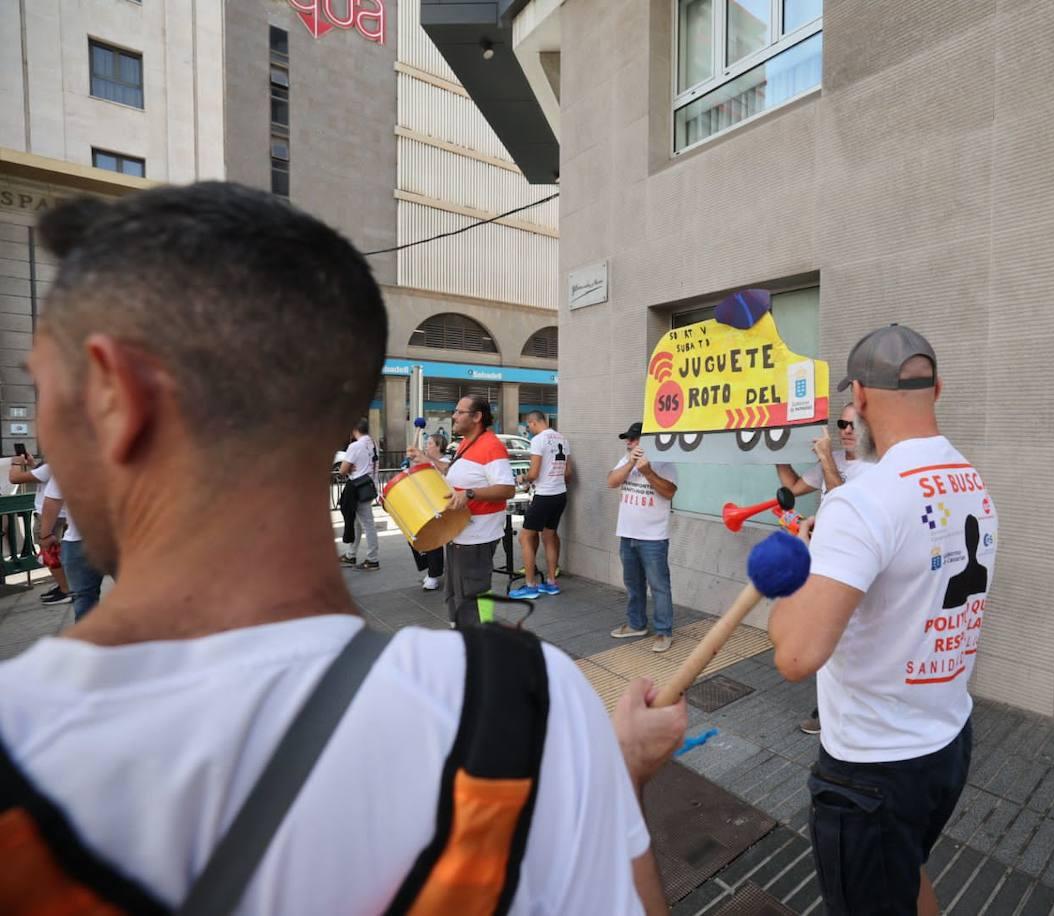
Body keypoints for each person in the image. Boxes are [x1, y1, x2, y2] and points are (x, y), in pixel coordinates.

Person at [0, 183, 687, 913]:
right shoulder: (539, 709)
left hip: (479, 537)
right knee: (466, 602)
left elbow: (503, 489)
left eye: (46, 389)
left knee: (475, 596)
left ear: (117, 394)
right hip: (487, 630)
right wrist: (612, 782)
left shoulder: (26, 745)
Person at [767, 325, 998, 916]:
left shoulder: (863, 500)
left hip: (869, 770)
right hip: (947, 741)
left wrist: (799, 566)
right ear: (937, 389)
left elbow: (794, 656)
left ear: (861, 397)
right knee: (908, 872)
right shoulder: (972, 482)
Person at [775, 401, 874, 736]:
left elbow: (847, 506)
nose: (846, 431)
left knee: (850, 642)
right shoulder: (834, 459)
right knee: (828, 639)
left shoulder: (877, 467)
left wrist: (828, 459)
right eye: (842, 424)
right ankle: (828, 710)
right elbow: (792, 487)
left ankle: (846, 714)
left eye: (854, 425)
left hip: (854, 567)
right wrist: (774, 453)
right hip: (823, 563)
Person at [409, 396, 516, 628]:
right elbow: (454, 471)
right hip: (458, 530)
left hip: (478, 535)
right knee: (456, 592)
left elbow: (508, 489)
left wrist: (469, 494)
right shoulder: (467, 442)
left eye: (459, 412)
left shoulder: (492, 446)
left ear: (477, 417)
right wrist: (427, 459)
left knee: (475, 593)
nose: (454, 416)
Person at [607, 422, 678, 653]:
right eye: (628, 439)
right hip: (627, 533)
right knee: (633, 583)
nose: (629, 442)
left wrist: (647, 471)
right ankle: (636, 624)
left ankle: (664, 631)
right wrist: (630, 463)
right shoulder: (625, 459)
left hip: (653, 537)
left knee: (659, 586)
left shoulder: (665, 462)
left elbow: (669, 492)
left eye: (634, 439)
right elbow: (611, 481)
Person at [510, 411, 570, 599]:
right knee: (550, 536)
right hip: (560, 494)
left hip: (544, 495)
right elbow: (568, 473)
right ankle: (551, 583)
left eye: (529, 425)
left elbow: (534, 473)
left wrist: (523, 478)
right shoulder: (562, 438)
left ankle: (530, 586)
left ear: (534, 422)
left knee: (525, 537)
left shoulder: (538, 440)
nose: (529, 429)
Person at [38, 476, 105, 620]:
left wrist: (45, 536)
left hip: (78, 541)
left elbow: (52, 500)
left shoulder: (67, 467)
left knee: (84, 600)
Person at [8, 454, 72, 604]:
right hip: (58, 515)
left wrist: (16, 463)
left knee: (49, 553)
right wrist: (32, 464)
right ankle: (64, 585)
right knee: (56, 553)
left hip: (49, 517)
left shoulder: (52, 465)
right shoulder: (59, 464)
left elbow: (14, 478)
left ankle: (66, 590)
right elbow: (42, 477)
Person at [338, 418, 380, 571]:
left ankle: (373, 559)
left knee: (367, 524)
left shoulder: (355, 446)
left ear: (354, 429)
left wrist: (348, 468)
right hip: (369, 486)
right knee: (357, 522)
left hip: (357, 488)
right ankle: (351, 554)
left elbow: (342, 470)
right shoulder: (373, 443)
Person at [410, 431, 448, 591]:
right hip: (426, 505)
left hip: (441, 507)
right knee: (414, 537)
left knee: (432, 539)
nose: (427, 446)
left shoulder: (445, 462)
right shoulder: (428, 461)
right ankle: (431, 570)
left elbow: (442, 472)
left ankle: (434, 575)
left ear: (439, 447)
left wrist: (423, 457)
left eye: (430, 443)